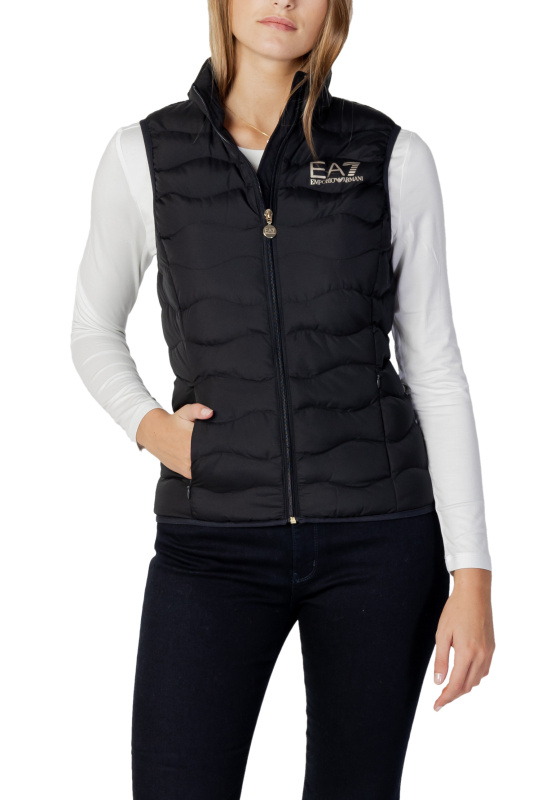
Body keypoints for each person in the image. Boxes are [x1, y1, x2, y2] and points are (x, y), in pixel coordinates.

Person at [71, 1, 495, 797]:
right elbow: (92, 328)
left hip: (379, 540)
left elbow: (434, 366)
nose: (284, 1)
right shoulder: (145, 154)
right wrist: (150, 427)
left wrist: (470, 574)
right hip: (212, 542)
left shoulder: (389, 155)